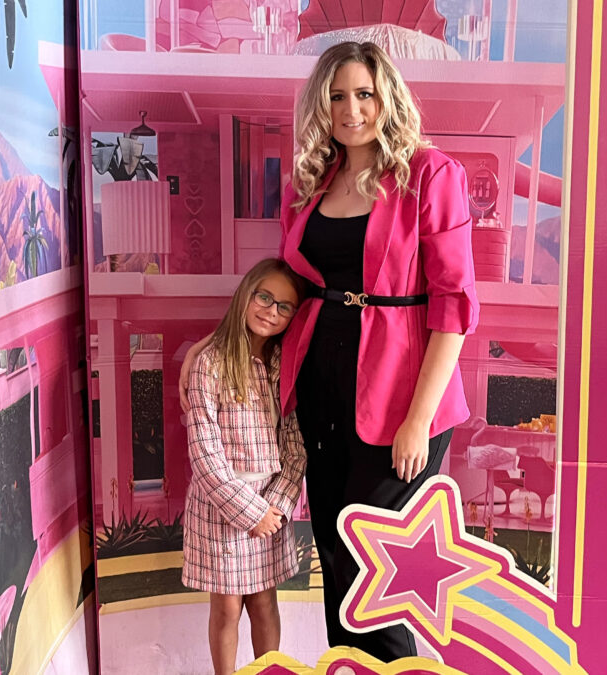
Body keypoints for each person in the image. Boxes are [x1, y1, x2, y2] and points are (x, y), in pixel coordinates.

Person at [183, 42, 478, 662]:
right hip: (319, 389)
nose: (350, 109)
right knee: (336, 557)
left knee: (378, 569)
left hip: (400, 398)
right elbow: (287, 286)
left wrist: (418, 421)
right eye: (337, 96)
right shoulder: (312, 183)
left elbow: (454, 307)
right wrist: (220, 345)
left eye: (363, 94)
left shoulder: (430, 175)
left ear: (386, 98)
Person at [182, 258, 308, 675]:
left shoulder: (281, 367)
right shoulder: (210, 364)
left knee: (264, 600)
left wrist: (275, 508)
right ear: (246, 295)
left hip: (270, 507)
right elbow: (205, 452)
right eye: (265, 297)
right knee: (227, 605)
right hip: (222, 510)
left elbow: (294, 446)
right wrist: (249, 513)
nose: (271, 311)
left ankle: (268, 670)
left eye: (284, 306)